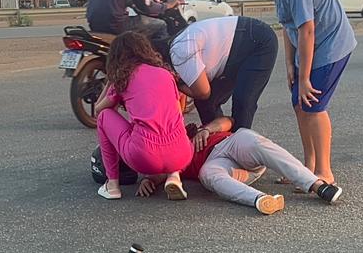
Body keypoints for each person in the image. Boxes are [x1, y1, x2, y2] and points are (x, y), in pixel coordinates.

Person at [237, 0, 356, 188]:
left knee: (312, 105)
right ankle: (307, 168)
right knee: (299, 105)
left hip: (331, 46)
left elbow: (307, 30)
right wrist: (291, 65)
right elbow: (288, 27)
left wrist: (305, 79)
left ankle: (325, 171)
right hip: (310, 48)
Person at [151, 117, 340, 212]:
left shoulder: (190, 128)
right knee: (208, 174)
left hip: (230, 144)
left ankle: (317, 185)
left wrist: (207, 129)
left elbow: (227, 121)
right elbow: (161, 173)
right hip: (218, 164)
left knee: (251, 140)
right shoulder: (169, 156)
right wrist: (149, 181)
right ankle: (261, 200)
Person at [93, 32, 192, 200]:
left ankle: (112, 185)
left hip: (145, 156)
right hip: (181, 155)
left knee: (104, 117)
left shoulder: (124, 78)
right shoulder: (165, 74)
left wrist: (112, 80)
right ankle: (174, 176)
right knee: (171, 122)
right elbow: (178, 111)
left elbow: (98, 109)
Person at [168, 16, 277, 131]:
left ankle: (239, 144)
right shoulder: (176, 50)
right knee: (206, 104)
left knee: (243, 103)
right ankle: (217, 140)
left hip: (258, 41)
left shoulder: (180, 54)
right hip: (233, 47)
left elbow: (203, 92)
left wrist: (177, 84)